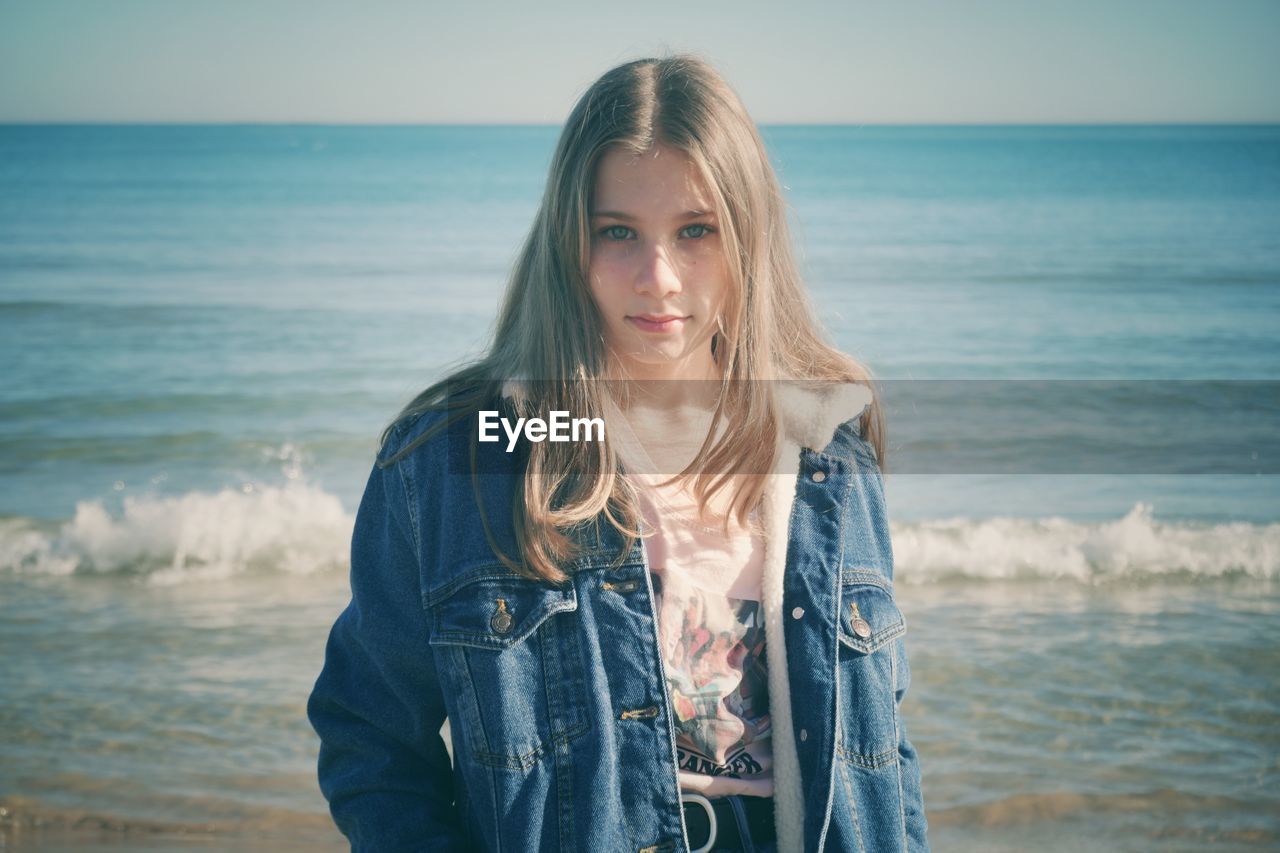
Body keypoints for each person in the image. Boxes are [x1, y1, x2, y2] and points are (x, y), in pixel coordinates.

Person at [307, 54, 929, 853]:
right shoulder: (459, 463)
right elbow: (371, 732)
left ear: (749, 238)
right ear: (570, 243)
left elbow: (882, 749)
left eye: (696, 231)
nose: (658, 277)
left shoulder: (827, 459)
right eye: (618, 233)